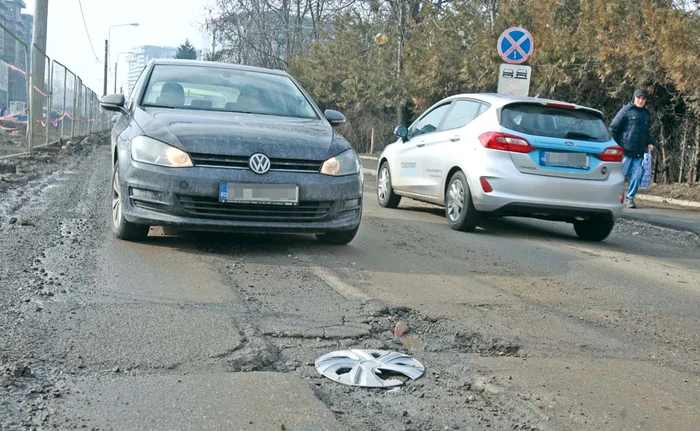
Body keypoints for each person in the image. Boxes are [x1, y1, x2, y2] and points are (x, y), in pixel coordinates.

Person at [609, 88, 654, 208]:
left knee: (636, 176)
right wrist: (616, 146)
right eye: (639, 98)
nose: (640, 101)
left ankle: (630, 198)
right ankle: (612, 196)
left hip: (639, 151)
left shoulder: (646, 114)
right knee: (619, 175)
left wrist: (650, 142)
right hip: (625, 150)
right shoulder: (626, 111)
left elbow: (647, 131)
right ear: (634, 98)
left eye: (643, 99)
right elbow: (613, 128)